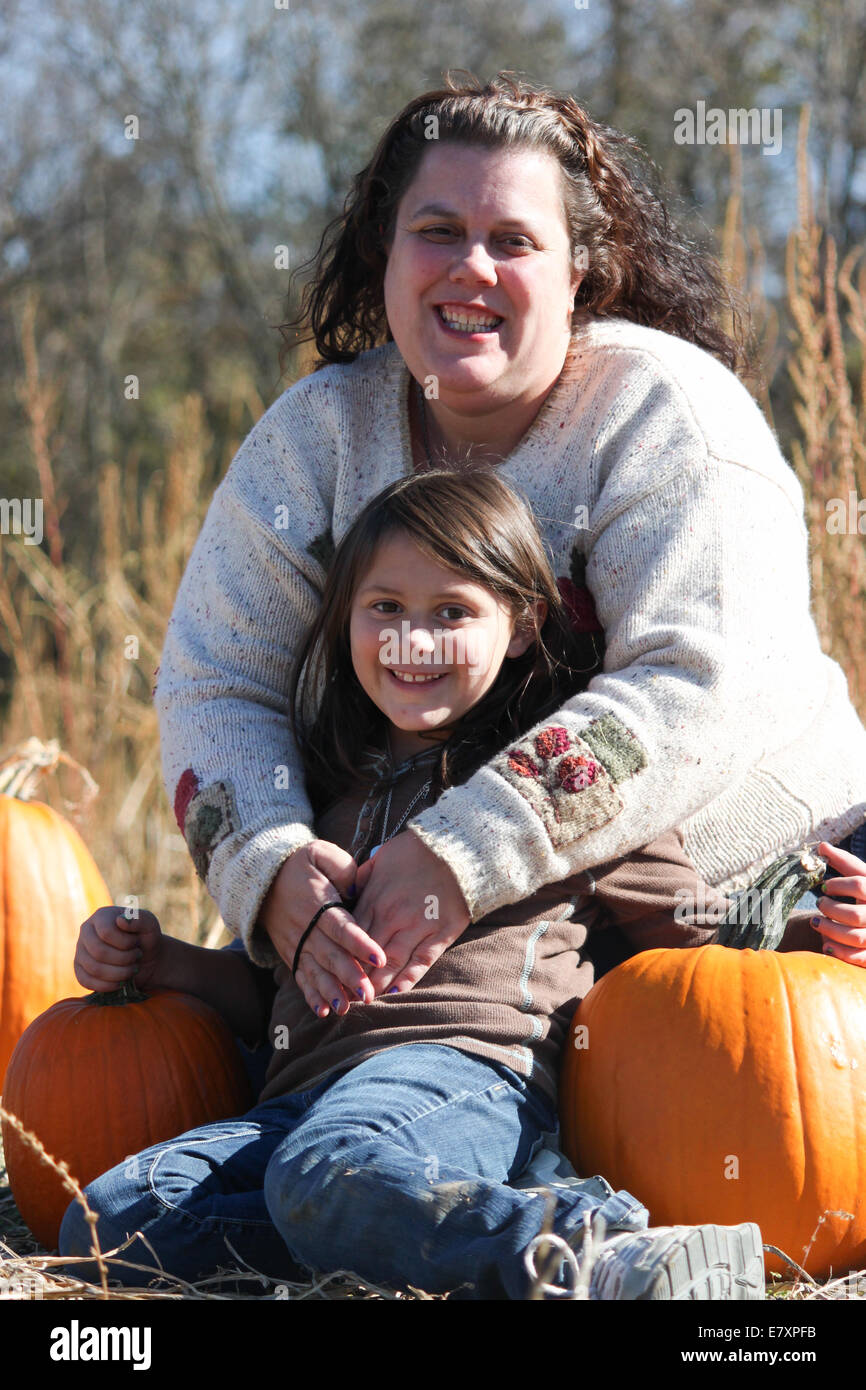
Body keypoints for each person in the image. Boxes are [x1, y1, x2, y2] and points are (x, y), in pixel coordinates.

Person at [151, 71, 866, 1045]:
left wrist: (458, 852)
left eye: (513, 241)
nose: (471, 267)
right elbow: (214, 679)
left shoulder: (668, 419)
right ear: (383, 252)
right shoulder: (313, 441)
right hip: (441, 939)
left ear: (578, 270)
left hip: (754, 914)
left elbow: (694, 684)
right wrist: (273, 870)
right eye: (438, 231)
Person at [60, 471, 866, 1300]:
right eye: (385, 610)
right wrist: (166, 965)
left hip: (459, 1071)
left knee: (324, 1171)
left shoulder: (564, 792)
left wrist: (814, 938)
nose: (414, 640)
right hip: (300, 1102)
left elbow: (693, 934)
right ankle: (382, 1234)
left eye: (451, 613)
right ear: (345, 623)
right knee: (115, 1216)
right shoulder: (320, 797)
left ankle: (595, 1252)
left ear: (519, 627)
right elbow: (267, 990)